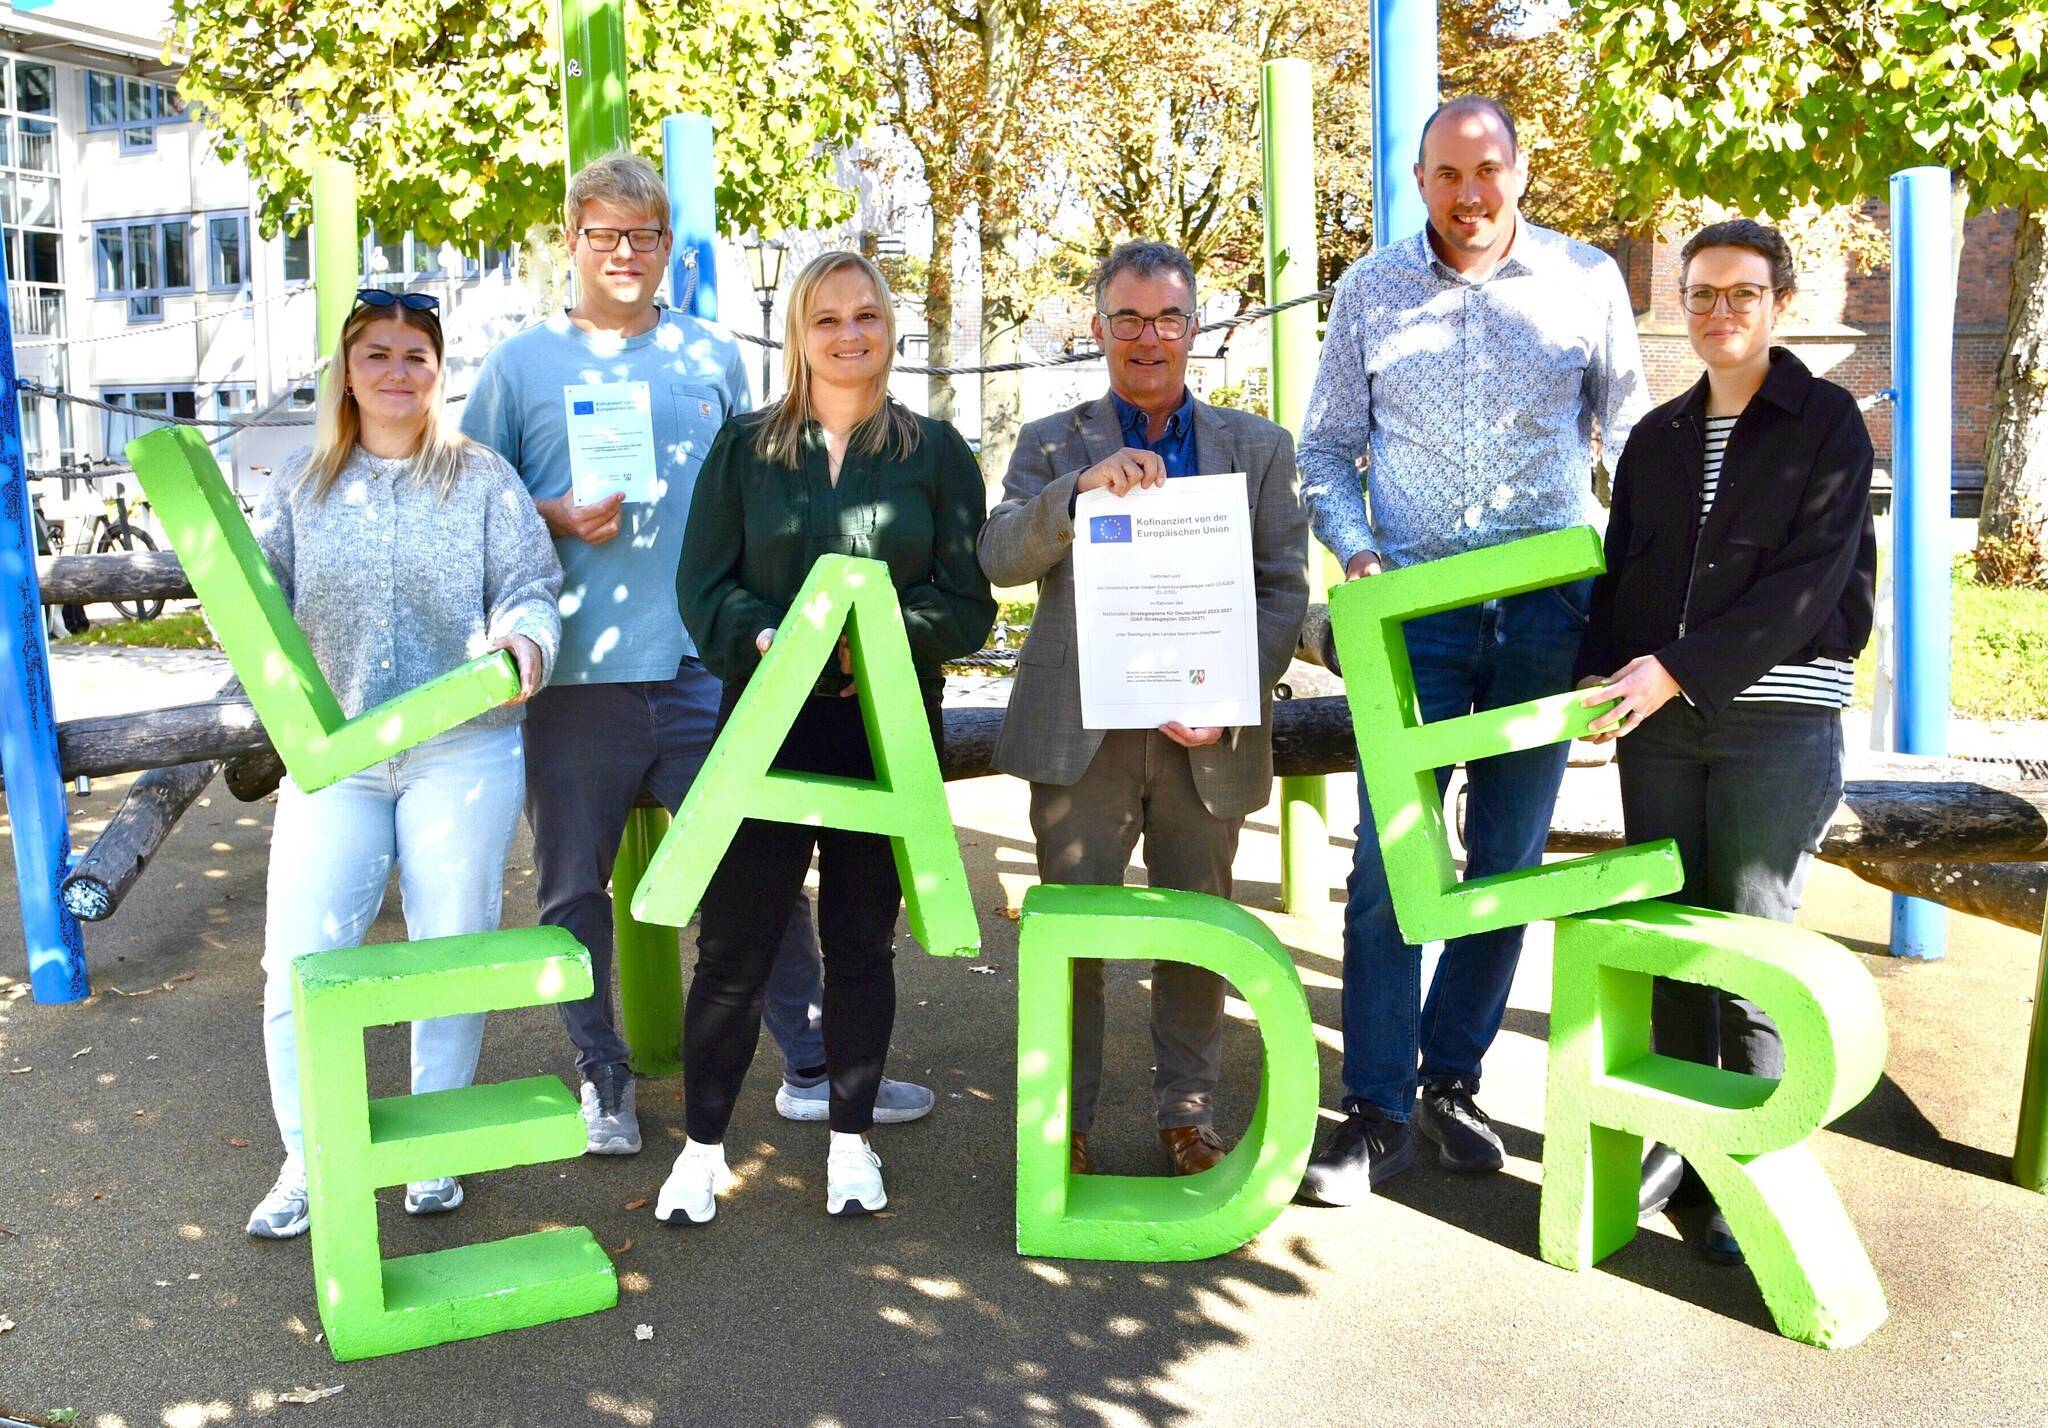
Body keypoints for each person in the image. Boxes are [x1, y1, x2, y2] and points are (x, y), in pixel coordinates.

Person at [461, 154, 933, 1157]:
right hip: (574, 671)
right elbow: (476, 502)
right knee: (570, 890)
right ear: (573, 240)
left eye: (643, 235)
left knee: (754, 873)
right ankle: (602, 1076)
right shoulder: (518, 364)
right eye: (604, 234)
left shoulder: (712, 358)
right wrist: (548, 513)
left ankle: (811, 1066)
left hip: (707, 668)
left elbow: (759, 499)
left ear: (668, 247)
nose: (624, 252)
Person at [1294, 95, 1650, 1204]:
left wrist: (1625, 598)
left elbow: (1632, 440)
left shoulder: (1586, 281)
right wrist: (1358, 558)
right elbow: (1324, 452)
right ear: (1417, 180)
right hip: (1414, 621)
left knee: (1503, 862)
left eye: (1486, 170)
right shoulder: (1368, 291)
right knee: (1388, 869)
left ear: (1519, 168)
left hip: (1543, 614)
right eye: (1445, 175)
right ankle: (1373, 1108)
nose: (1468, 195)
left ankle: (1451, 1080)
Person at [660, 251, 995, 1223]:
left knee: (859, 943)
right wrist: (768, 638)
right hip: (767, 721)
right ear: (798, 336)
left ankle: (850, 1145)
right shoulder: (743, 450)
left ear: (889, 328)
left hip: (885, 728)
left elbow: (965, 602)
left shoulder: (935, 452)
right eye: (826, 320)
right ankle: (699, 1151)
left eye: (866, 317)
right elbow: (702, 587)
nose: (849, 336)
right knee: (733, 945)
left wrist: (873, 643)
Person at [1575, 218, 1875, 1265]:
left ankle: (1751, 1173)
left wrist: (1676, 670)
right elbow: (1621, 585)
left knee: (1750, 947)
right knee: (1665, 944)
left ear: (1778, 304)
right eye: (1698, 294)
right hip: (1659, 724)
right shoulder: (1655, 439)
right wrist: (1591, 684)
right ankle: (1683, 1149)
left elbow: (1807, 587)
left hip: (1771, 722)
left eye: (1739, 294)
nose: (1716, 313)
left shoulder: (1825, 422)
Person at [979, 241, 1308, 1176]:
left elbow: (1282, 591)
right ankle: (1066, 1117)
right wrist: (1075, 491)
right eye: (1127, 319)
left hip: (1207, 738)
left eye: (1168, 318)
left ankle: (1186, 1113)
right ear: (1098, 330)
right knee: (1071, 936)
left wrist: (1228, 697)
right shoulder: (1051, 440)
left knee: (1197, 928)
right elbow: (1000, 556)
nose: (1148, 338)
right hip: (1084, 743)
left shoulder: (1259, 448)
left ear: (1195, 328)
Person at [245, 288, 563, 1238]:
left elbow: (531, 588)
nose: (394, 370)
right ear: (346, 371)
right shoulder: (300, 488)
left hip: (459, 752)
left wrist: (523, 646)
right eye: (375, 353)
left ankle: (433, 1149)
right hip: (337, 759)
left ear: (438, 370)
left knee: (450, 949)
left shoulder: (483, 481)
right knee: (299, 960)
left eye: (414, 354)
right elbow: (258, 607)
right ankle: (310, 1158)